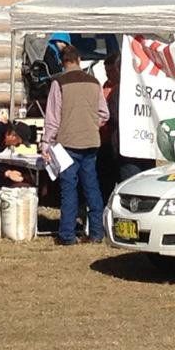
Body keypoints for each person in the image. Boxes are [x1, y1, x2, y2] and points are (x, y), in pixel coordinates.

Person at [42, 46, 109, 245]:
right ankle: (97, 232)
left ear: (63, 62)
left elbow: (53, 118)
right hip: (90, 142)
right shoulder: (94, 82)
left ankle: (67, 235)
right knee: (92, 188)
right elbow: (104, 114)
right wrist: (90, 124)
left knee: (69, 189)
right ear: (79, 59)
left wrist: (46, 143)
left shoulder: (59, 83)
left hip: (68, 143)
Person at [100, 52, 154, 202]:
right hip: (133, 144)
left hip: (130, 147)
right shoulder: (109, 87)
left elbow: (113, 116)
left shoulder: (121, 91)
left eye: (112, 71)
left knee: (133, 186)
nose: (109, 75)